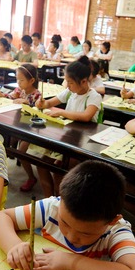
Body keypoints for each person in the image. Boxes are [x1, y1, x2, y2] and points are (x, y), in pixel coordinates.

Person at [0, 160, 135, 270]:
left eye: (86, 233)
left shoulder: (116, 230)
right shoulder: (53, 208)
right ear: (61, 198)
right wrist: (14, 246)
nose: (71, 236)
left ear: (111, 221)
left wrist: (70, 262)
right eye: (64, 223)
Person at [34, 56, 103, 197]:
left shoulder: (93, 96)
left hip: (83, 143)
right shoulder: (70, 92)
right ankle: (49, 198)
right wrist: (42, 103)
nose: (68, 86)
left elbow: (86, 116)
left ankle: (62, 204)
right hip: (67, 137)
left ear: (84, 81)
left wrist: (61, 112)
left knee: (60, 170)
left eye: (70, 82)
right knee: (42, 164)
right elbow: (50, 103)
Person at [0, 65, 41, 192]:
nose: (18, 83)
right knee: (4, 146)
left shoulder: (37, 95)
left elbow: (40, 112)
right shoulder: (19, 90)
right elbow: (9, 97)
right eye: (17, 80)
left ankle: (31, 177)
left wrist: (29, 105)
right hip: (17, 126)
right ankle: (1, 173)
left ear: (31, 81)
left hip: (31, 128)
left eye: (21, 80)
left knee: (22, 151)